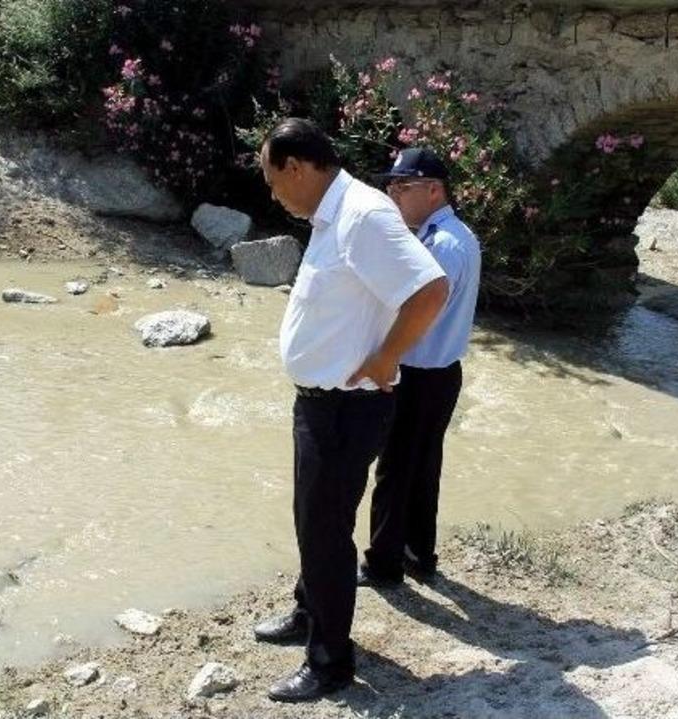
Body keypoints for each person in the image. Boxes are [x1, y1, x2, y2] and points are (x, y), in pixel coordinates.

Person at [252, 120, 450, 703]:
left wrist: (389, 357)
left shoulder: (363, 215)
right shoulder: (332, 215)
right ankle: (309, 609)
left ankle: (331, 661)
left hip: (345, 407)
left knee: (324, 531)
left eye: (271, 180)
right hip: (321, 404)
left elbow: (430, 289)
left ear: (296, 168)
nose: (272, 194)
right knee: (320, 523)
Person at [358, 147, 482, 588]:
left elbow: (420, 312)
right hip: (439, 372)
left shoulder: (444, 244)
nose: (392, 196)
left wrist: (382, 357)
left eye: (401, 187)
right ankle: (417, 553)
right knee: (422, 465)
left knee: (394, 468)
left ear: (434, 190)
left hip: (420, 373)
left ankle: (384, 564)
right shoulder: (448, 235)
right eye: (389, 186)